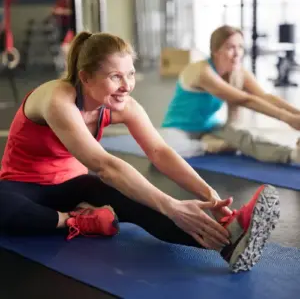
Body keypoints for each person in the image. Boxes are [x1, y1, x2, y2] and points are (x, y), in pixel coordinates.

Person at [0, 31, 279, 273]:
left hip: (75, 186)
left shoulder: (123, 105)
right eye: (115, 76)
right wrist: (171, 204)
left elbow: (160, 151)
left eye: (130, 74)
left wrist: (210, 196)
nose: (127, 85)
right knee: (5, 208)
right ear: (85, 77)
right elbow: (104, 165)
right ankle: (77, 221)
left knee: (143, 200)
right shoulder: (57, 98)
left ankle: (228, 241)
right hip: (24, 187)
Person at [162, 25, 300, 162]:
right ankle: (206, 146)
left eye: (240, 47)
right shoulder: (202, 72)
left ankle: (292, 155)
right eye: (230, 47)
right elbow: (245, 100)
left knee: (243, 138)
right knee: (163, 150)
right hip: (180, 129)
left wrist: (296, 114)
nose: (237, 53)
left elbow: (265, 97)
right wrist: (287, 118)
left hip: (209, 126)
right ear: (215, 50)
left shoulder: (238, 72)